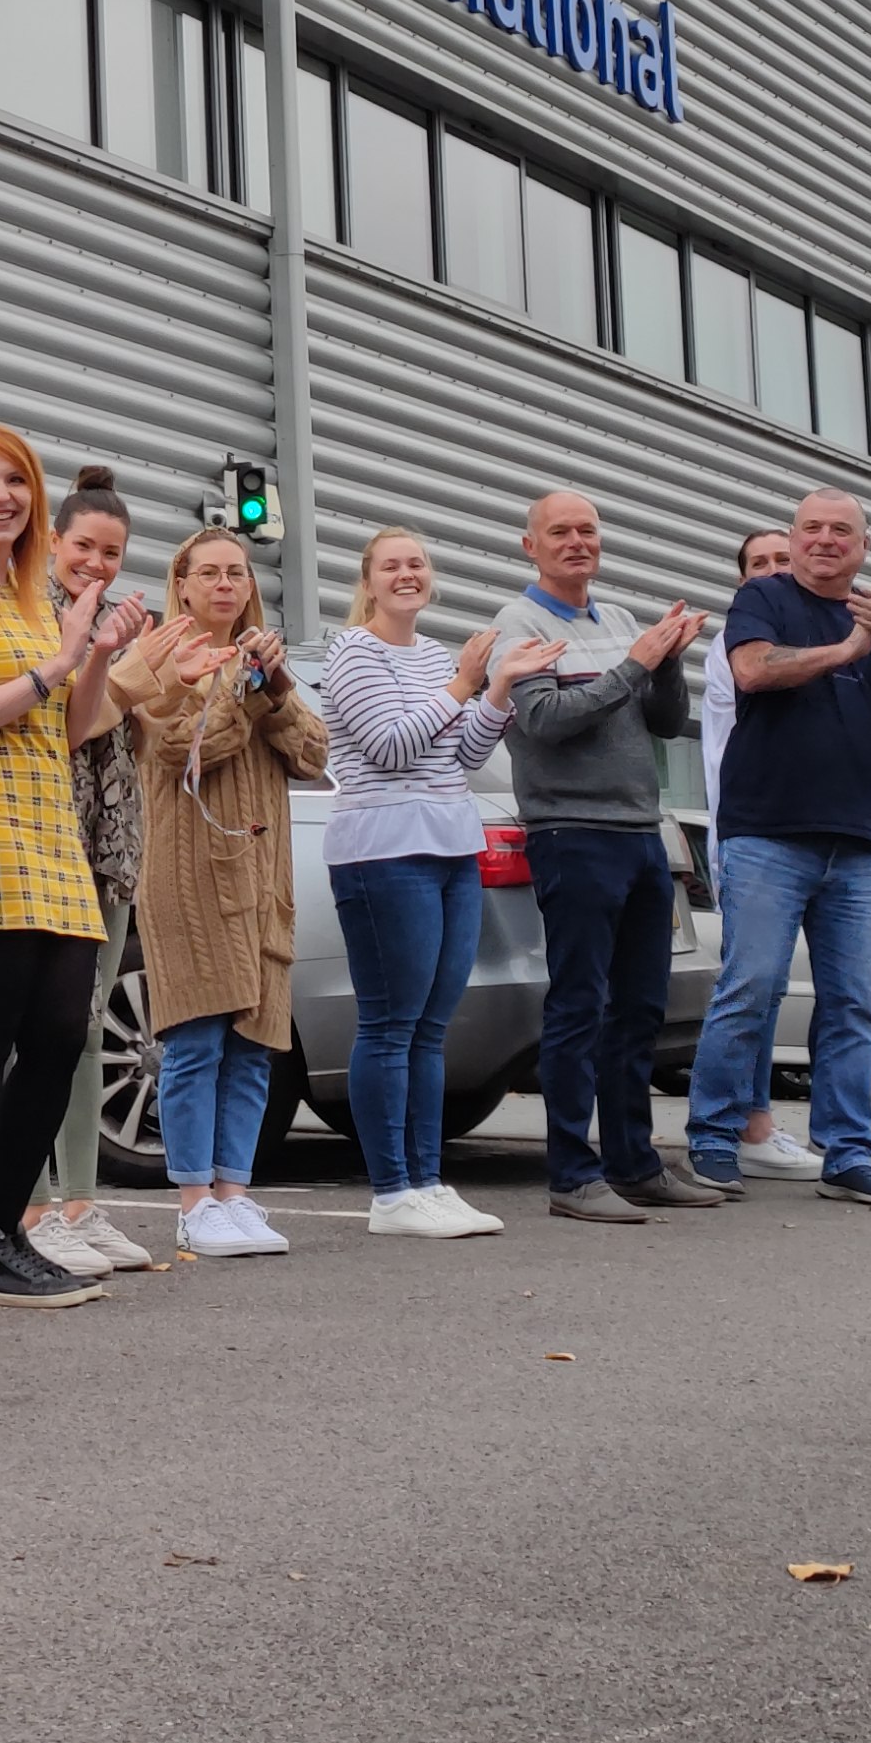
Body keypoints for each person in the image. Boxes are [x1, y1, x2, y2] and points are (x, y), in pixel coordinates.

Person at [0, 426, 145, 1308]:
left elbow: (77, 727)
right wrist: (54, 663)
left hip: (50, 832)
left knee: (60, 1036)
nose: (0, 496)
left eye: (15, 481)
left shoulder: (41, 596)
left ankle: (3, 1228)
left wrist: (96, 653)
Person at [682, 489, 871, 1210]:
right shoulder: (763, 598)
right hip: (768, 832)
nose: (825, 540)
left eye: (842, 531)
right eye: (812, 529)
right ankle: (713, 1138)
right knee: (751, 987)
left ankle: (847, 1150)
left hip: (858, 844)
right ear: (794, 540)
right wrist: (847, 651)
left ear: (863, 546)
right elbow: (754, 671)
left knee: (853, 1004)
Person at [315, 524, 542, 1239]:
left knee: (430, 1028)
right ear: (369, 581)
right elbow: (388, 745)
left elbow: (463, 754)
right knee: (390, 1024)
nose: (406, 574)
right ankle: (391, 1192)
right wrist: (465, 685)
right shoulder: (352, 652)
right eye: (391, 565)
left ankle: (428, 1179)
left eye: (416, 562)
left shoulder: (439, 657)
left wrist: (497, 691)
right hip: (384, 849)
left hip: (450, 845)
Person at [494, 490, 714, 1222]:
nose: (577, 541)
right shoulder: (518, 624)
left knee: (641, 1009)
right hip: (571, 833)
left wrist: (666, 662)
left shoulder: (617, 620)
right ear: (532, 545)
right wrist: (632, 664)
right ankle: (571, 1175)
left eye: (588, 529)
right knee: (580, 1005)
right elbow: (544, 720)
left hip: (638, 832)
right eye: (560, 531)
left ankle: (636, 1162)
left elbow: (664, 721)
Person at [119, 525, 321, 1258]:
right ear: (182, 585)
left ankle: (236, 1192)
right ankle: (192, 1200)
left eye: (237, 572)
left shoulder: (266, 661)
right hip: (187, 872)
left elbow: (313, 752)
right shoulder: (158, 662)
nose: (226, 585)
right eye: (209, 573)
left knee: (254, 1042)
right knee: (196, 1037)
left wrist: (278, 688)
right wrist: (238, 687)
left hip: (261, 874)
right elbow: (183, 747)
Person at [23, 468, 155, 1277]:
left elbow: (132, 737)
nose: (96, 564)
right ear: (53, 542)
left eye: (111, 553)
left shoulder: (112, 621)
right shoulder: (30, 613)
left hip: (109, 845)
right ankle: (31, 1204)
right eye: (83, 547)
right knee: (32, 1033)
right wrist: (119, 669)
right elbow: (67, 727)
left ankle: (80, 1203)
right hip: (45, 839)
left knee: (83, 1030)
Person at [701, 524, 815, 1183]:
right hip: (746, 833)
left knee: (779, 988)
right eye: (758, 563)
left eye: (781, 559)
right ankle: (746, 1127)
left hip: (806, 833)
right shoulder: (737, 647)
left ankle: (772, 1124)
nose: (772, 570)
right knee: (753, 986)